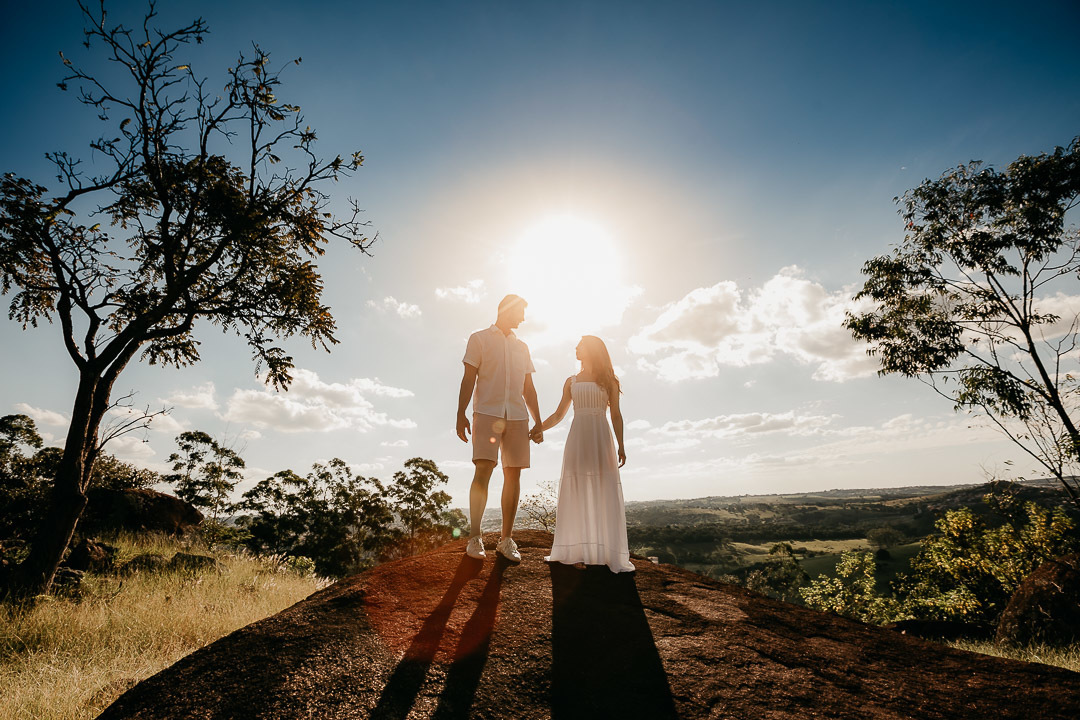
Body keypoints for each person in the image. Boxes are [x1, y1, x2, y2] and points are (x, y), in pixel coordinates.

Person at [533, 335, 634, 573]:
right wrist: (539, 428)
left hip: (601, 436)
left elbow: (616, 415)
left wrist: (621, 445)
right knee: (577, 487)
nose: (576, 347)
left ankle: (604, 552)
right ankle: (575, 550)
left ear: (592, 349)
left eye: (580, 344)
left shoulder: (610, 380)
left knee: (603, 488)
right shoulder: (571, 381)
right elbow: (559, 414)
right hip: (578, 437)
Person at [456, 294, 544, 562]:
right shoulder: (479, 338)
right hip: (486, 413)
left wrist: (538, 421)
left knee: (513, 475)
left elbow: (528, 388)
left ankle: (506, 541)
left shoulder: (523, 347)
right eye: (520, 312)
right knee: (483, 469)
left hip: (517, 416)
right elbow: (468, 378)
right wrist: (460, 414)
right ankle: (475, 538)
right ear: (506, 310)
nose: (524, 318)